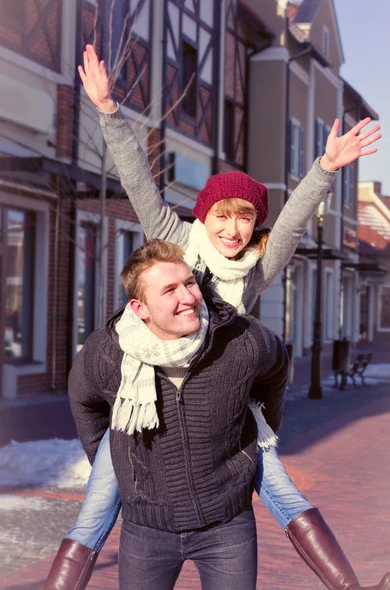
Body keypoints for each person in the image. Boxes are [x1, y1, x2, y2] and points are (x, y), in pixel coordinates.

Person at [44, 46, 390, 590]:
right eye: (223, 217)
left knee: (281, 487)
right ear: (203, 214)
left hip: (223, 392)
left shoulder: (258, 265)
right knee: (97, 506)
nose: (233, 231)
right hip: (147, 390)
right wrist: (109, 109)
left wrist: (326, 167)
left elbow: (295, 223)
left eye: (246, 219)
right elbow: (138, 179)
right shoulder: (172, 240)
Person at [65, 238, 290, 589]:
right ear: (140, 308)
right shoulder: (107, 352)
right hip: (146, 531)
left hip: (227, 526)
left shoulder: (241, 340)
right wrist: (123, 467)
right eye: (169, 290)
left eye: (188, 283)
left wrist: (258, 428)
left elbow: (276, 370)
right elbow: (84, 400)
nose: (188, 298)